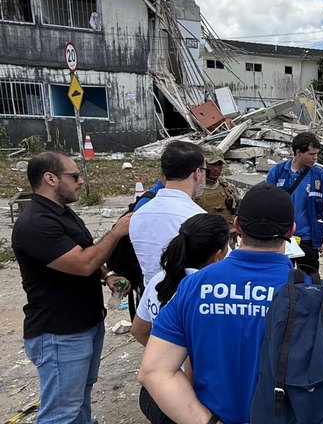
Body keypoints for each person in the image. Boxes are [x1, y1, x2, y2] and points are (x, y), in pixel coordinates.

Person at [138, 183, 323, 424]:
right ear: (291, 231)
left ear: (236, 226)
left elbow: (154, 371)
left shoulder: (195, 286)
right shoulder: (313, 292)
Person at [12, 151, 132, 424]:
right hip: (59, 333)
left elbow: (83, 250)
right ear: (50, 178)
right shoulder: (36, 223)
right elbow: (82, 263)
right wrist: (116, 232)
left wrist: (108, 275)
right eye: (75, 176)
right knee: (61, 413)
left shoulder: (62, 213)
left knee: (80, 397)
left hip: (84, 324)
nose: (81, 182)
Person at [132, 213, 230, 424]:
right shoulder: (206, 291)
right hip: (185, 395)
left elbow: (138, 329)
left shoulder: (160, 278)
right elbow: (191, 356)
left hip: (155, 392)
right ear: (218, 254)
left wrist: (161, 355)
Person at [130, 141, 207, 286]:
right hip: (185, 301)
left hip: (151, 299)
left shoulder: (139, 214)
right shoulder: (198, 217)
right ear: (197, 173)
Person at [266, 131, 323, 272]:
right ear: (298, 152)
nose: (315, 158)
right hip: (281, 239)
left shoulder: (319, 175)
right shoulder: (277, 172)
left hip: (308, 239)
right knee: (282, 281)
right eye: (311, 154)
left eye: (317, 154)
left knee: (309, 284)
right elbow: (266, 203)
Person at [195, 145, 240, 245]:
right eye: (211, 164)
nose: (216, 169)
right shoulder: (193, 190)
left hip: (228, 242)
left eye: (219, 164)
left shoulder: (227, 187)